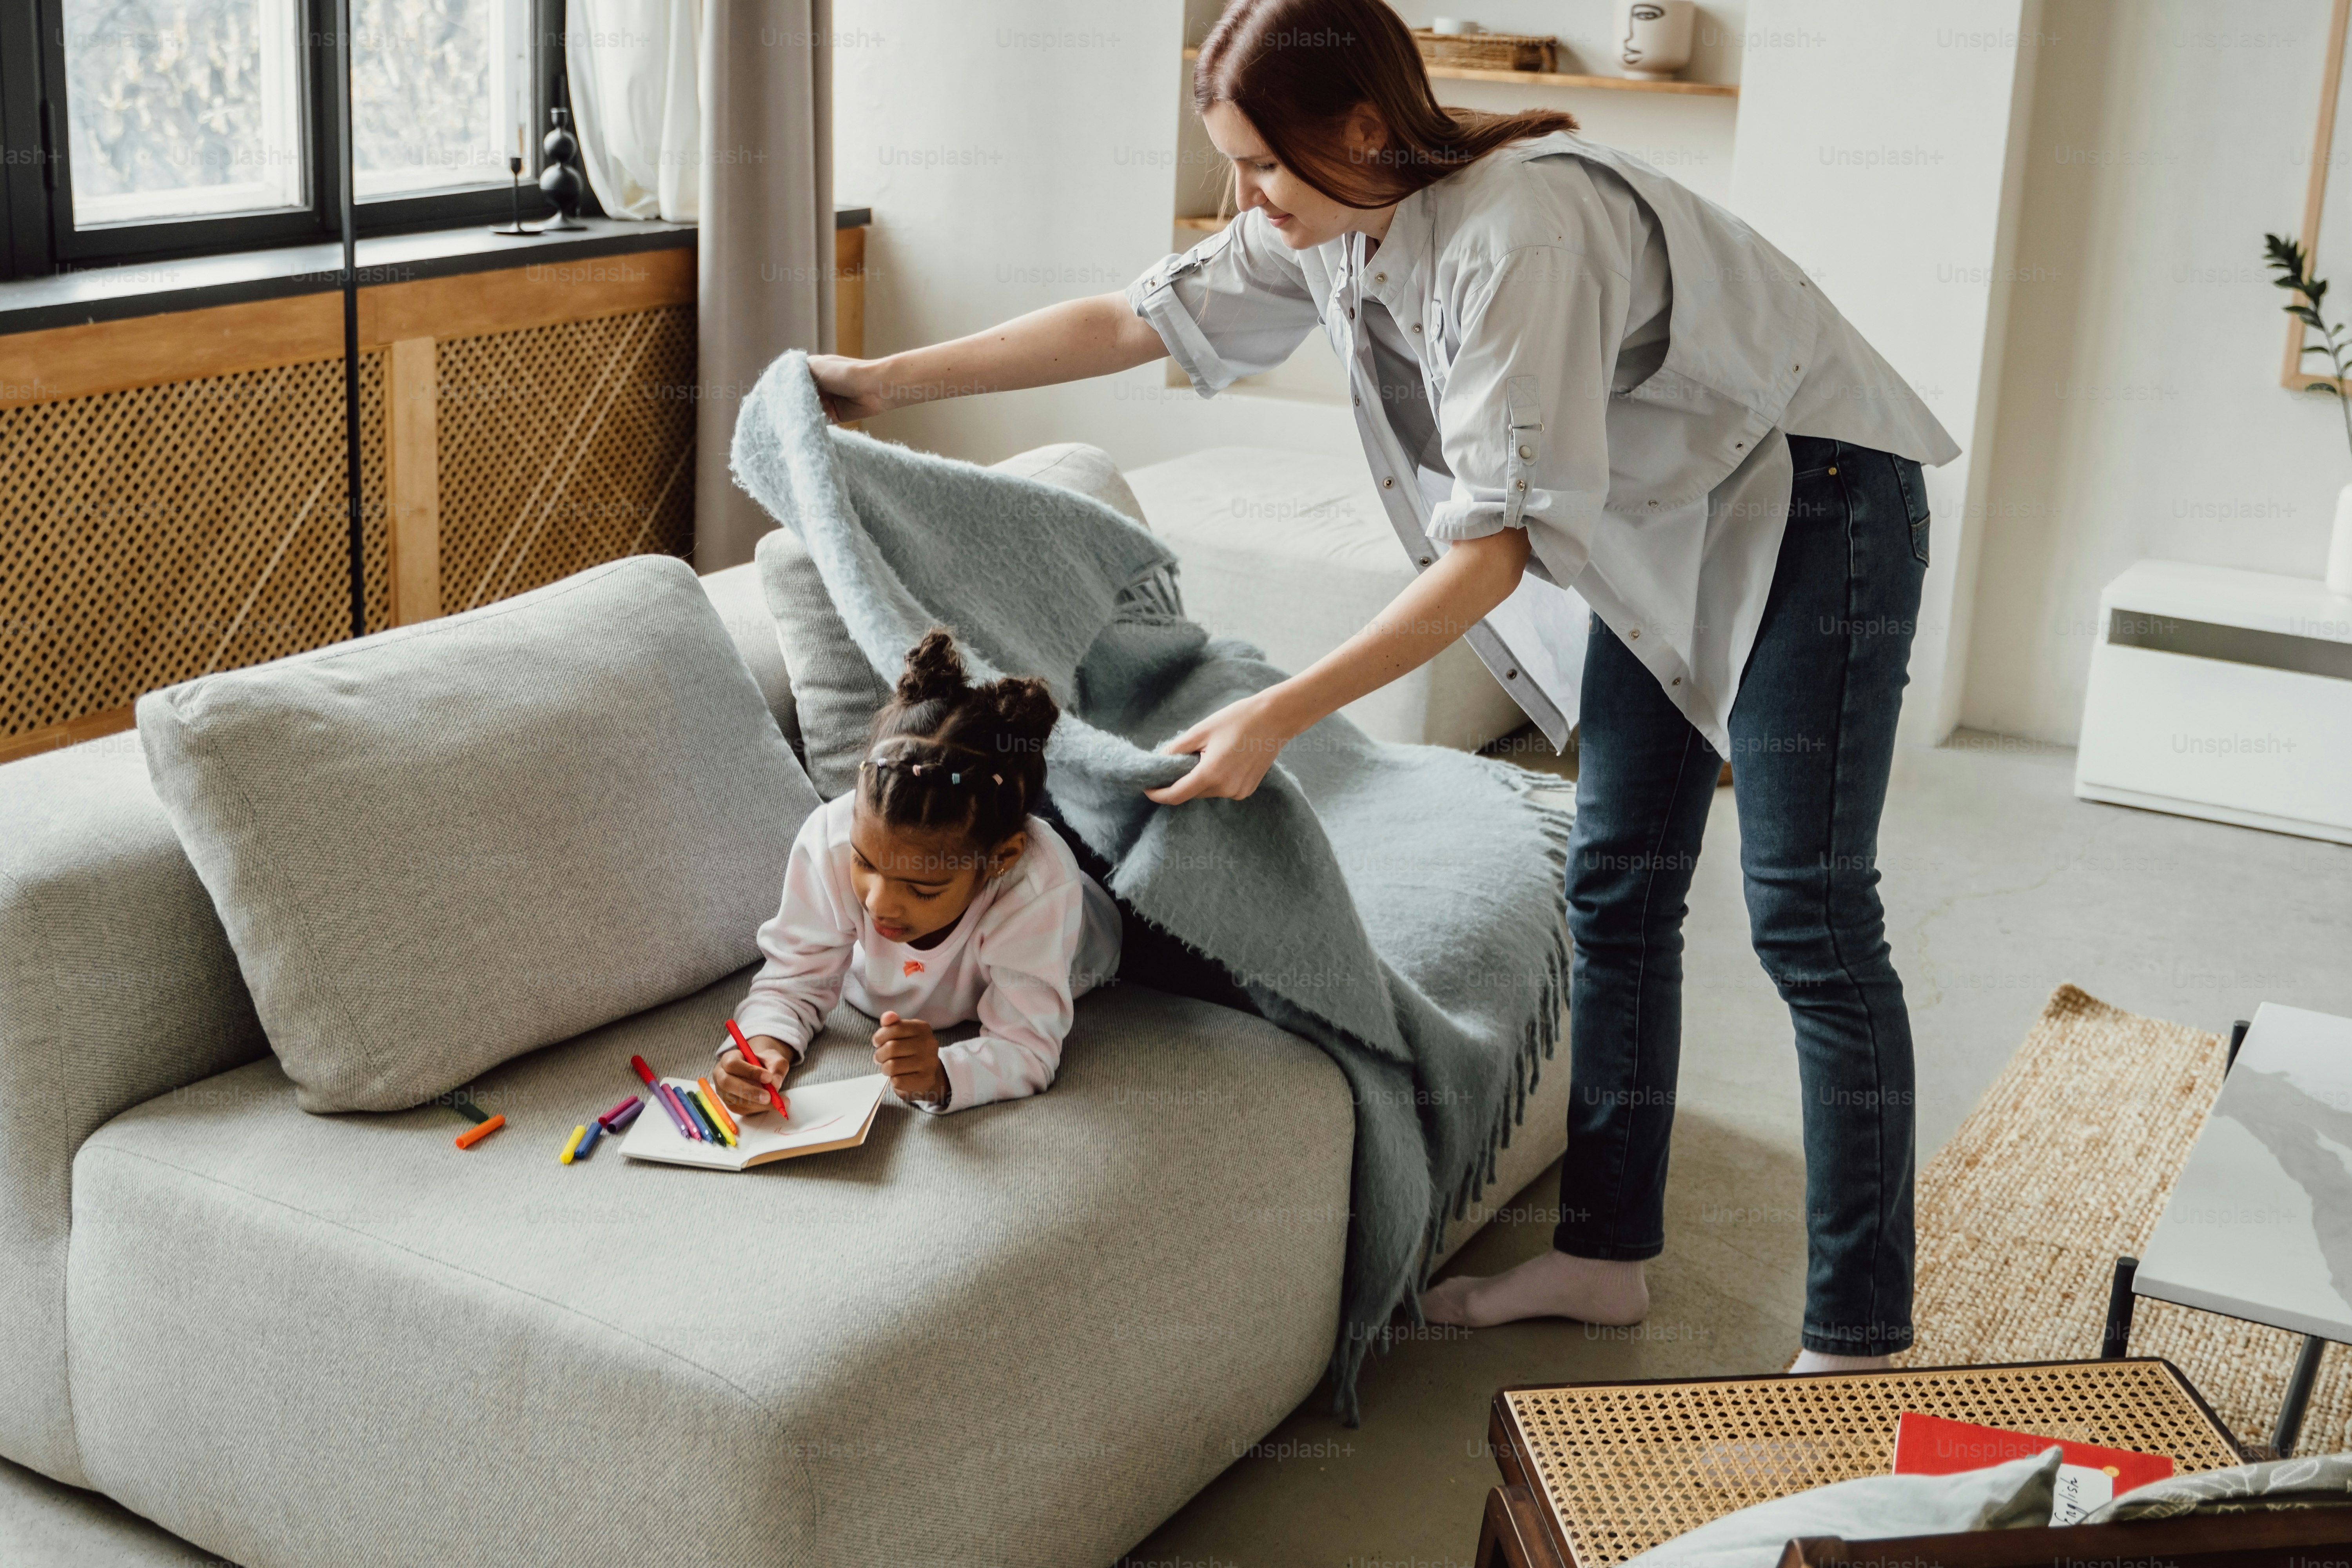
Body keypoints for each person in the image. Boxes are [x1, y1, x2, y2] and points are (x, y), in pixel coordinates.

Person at [804, 0, 1958, 1372]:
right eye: (1231, 166)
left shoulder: (1518, 233)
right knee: (1620, 883)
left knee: (1809, 917)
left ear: (1361, 125)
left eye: (1263, 168)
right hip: (1670, 531)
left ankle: (1861, 1332)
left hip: (1821, 500)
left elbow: (1494, 551)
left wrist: (1277, 713)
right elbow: (1133, 316)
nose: (1245, 201)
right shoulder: (1343, 218)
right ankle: (1605, 1254)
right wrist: (880, 380)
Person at [715, 630, 1121, 1116]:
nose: (879, 904)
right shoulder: (832, 836)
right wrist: (761, 1047)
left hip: (1075, 939)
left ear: (1001, 859)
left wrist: (942, 1075)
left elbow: (1029, 1045)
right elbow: (793, 976)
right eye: (865, 864)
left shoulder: (1036, 883)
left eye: (923, 887)